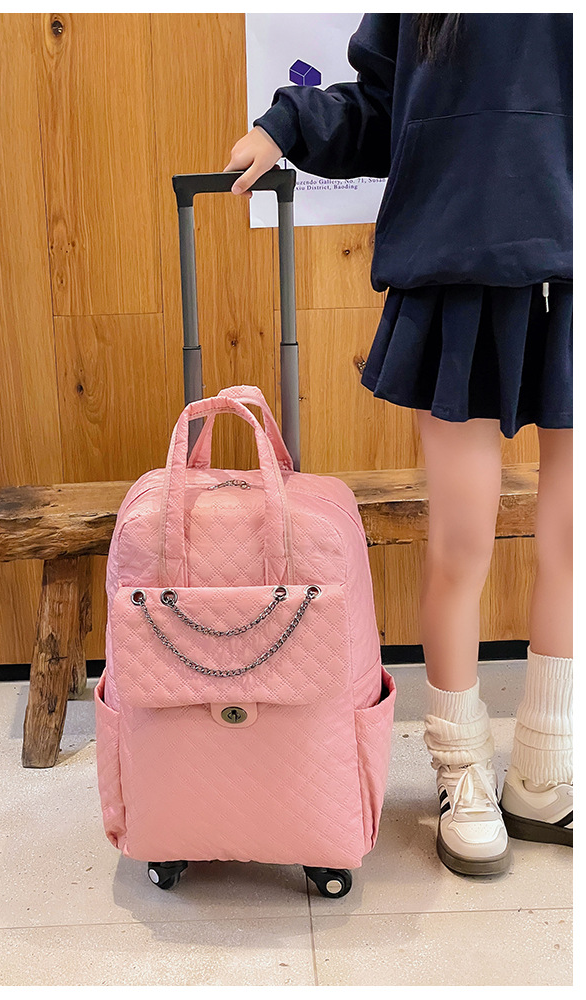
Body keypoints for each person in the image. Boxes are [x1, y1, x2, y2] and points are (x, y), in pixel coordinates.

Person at [224, 13, 573, 877]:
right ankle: (462, 770)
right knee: (461, 543)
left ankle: (548, 767)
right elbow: (385, 106)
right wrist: (287, 124)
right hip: (455, 267)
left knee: (572, 540)